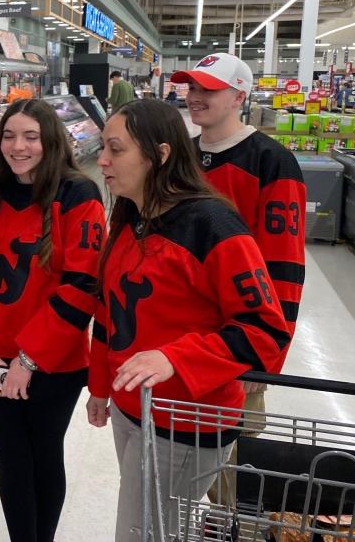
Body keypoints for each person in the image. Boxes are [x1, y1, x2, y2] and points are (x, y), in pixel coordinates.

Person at [87, 99, 289, 542]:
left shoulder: (212, 226)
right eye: (103, 147)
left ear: (159, 155)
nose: (102, 160)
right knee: (150, 525)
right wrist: (100, 386)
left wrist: (176, 357)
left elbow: (266, 331)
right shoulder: (130, 217)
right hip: (133, 408)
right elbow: (110, 312)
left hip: (185, 420)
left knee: (143, 534)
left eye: (115, 149)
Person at [0, 99, 106, 542]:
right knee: (12, 461)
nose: (17, 147)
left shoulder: (77, 195)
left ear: (51, 141)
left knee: (43, 455)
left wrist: (29, 358)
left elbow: (82, 285)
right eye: (9, 136)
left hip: (54, 363)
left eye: (31, 137)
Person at [171, 52, 306, 505]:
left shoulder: (272, 161)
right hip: (180, 340)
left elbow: (284, 267)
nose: (195, 97)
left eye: (209, 88)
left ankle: (238, 529)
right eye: (192, 87)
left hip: (239, 342)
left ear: (239, 95)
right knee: (179, 471)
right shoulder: (182, 158)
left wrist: (268, 354)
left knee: (235, 470)